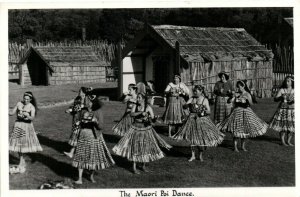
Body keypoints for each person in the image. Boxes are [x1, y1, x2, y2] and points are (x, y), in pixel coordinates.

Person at [113, 93, 172, 174]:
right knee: (135, 146)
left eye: (139, 98)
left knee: (145, 147)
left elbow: (152, 120)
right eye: (137, 97)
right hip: (135, 128)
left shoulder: (148, 107)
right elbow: (131, 114)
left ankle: (143, 165)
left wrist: (153, 119)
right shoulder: (135, 106)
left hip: (145, 129)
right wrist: (140, 113)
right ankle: (134, 167)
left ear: (144, 99)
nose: (138, 99)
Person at [173, 85, 224, 162]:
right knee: (193, 138)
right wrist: (186, 105)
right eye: (194, 91)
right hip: (192, 119)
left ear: (201, 91)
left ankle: (200, 155)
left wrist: (203, 112)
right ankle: (193, 155)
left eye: (196, 91)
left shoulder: (205, 100)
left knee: (200, 138)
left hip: (202, 120)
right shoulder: (192, 98)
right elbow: (185, 106)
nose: (195, 92)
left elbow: (209, 111)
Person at [72, 95, 115, 184]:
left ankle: (91, 176)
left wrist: (95, 121)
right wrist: (77, 121)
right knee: (81, 157)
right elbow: (77, 120)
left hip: (93, 137)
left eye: (88, 101)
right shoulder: (83, 110)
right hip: (83, 136)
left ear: (93, 103)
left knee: (92, 158)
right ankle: (79, 179)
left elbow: (101, 127)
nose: (86, 102)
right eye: (86, 101)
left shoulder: (98, 112)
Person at [217, 80, 267, 152]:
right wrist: (231, 97)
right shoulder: (237, 94)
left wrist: (246, 101)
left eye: (239, 87)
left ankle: (243, 146)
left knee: (244, 130)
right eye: (237, 87)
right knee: (236, 130)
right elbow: (229, 101)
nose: (238, 88)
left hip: (246, 112)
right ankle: (235, 147)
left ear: (243, 86)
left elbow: (251, 103)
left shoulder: (247, 94)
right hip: (237, 112)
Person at [9, 91, 43, 173]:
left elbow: (32, 118)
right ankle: (21, 161)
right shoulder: (19, 103)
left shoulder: (32, 107)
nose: (26, 100)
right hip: (18, 125)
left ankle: (21, 161)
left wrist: (28, 115)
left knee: (22, 144)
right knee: (17, 143)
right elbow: (12, 113)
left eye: (28, 99)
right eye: (25, 98)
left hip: (26, 126)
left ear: (30, 99)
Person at [64, 87, 91, 158]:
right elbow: (73, 107)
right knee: (76, 135)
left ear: (84, 93)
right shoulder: (77, 99)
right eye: (79, 91)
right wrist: (69, 110)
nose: (79, 92)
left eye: (80, 91)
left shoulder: (87, 100)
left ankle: (81, 152)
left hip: (83, 120)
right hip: (76, 118)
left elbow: (89, 109)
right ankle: (72, 152)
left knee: (81, 135)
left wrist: (82, 108)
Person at [269, 76, 294, 146]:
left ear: (292, 82)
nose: (287, 82)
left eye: (288, 81)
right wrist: (281, 97)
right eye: (286, 81)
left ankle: (288, 141)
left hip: (292, 111)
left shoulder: (295, 90)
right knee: (283, 126)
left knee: (291, 127)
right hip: (283, 110)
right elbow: (275, 99)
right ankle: (283, 141)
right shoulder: (282, 90)